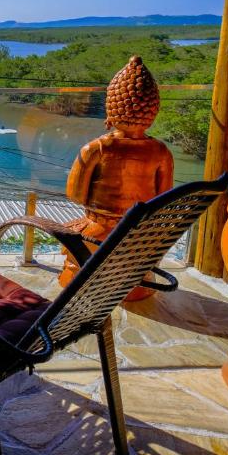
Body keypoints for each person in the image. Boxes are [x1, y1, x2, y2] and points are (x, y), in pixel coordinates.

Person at [59, 56, 174, 300]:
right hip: (141, 239)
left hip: (99, 233)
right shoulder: (162, 152)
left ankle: (81, 281)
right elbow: (164, 199)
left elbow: (76, 195)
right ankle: (135, 285)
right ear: (152, 110)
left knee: (74, 243)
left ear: (112, 107)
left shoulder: (97, 148)